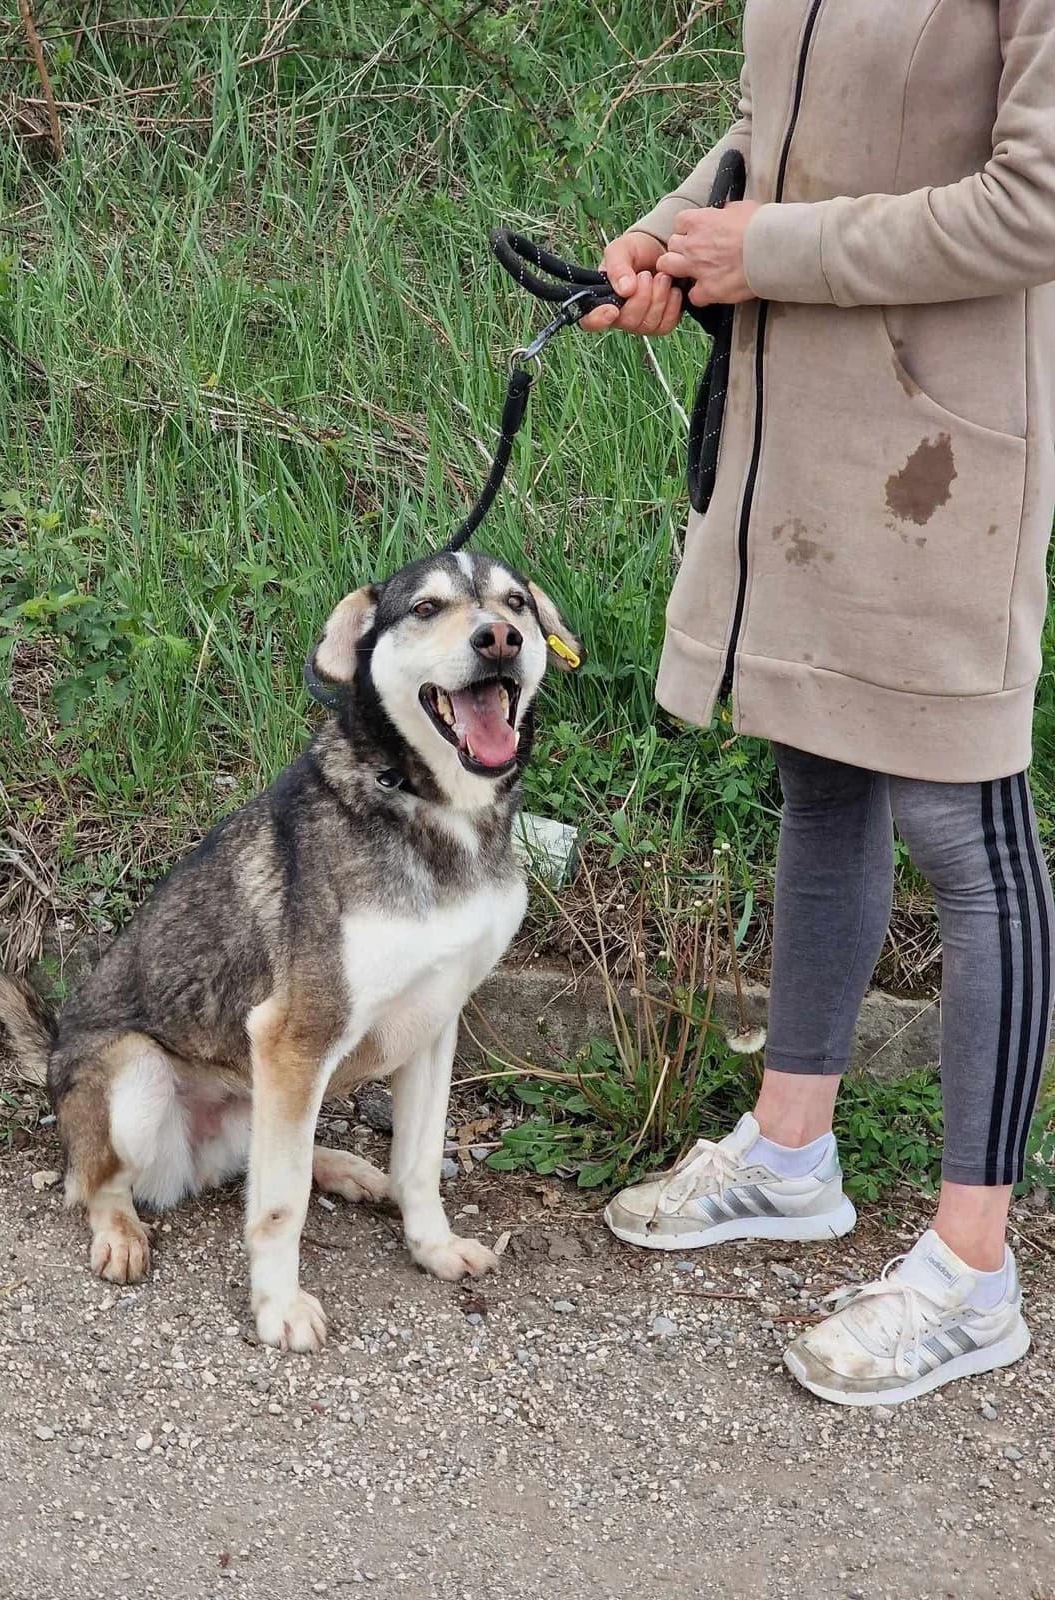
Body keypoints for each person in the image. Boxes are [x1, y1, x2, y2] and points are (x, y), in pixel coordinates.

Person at [583, 0, 1055, 1407]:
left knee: (966, 828)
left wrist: (768, 252)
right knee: (822, 767)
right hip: (803, 423)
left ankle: (974, 1269)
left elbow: (1035, 204)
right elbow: (774, 127)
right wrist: (673, 237)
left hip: (948, 449)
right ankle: (792, 1154)